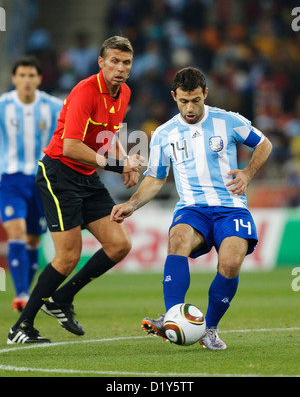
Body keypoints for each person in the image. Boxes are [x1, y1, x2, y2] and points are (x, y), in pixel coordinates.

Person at [111, 66, 272, 350]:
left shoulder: (228, 121)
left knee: (231, 263)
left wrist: (247, 173)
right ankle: (172, 317)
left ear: (205, 94)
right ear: (174, 96)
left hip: (230, 208)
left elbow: (264, 144)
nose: (189, 107)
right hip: (192, 208)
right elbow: (156, 177)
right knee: (177, 239)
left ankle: (209, 329)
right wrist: (132, 204)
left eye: (196, 100)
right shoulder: (164, 133)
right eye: (184, 101)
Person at [7, 36, 143, 344]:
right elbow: (70, 147)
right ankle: (21, 327)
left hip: (86, 178)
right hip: (58, 175)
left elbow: (109, 134)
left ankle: (61, 298)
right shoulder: (85, 91)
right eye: (114, 62)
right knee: (68, 256)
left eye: (126, 63)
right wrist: (117, 166)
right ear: (101, 62)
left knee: (119, 244)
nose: (120, 69)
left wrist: (126, 161)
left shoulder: (124, 93)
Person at [0, 56, 62, 312]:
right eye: (21, 75)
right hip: (11, 180)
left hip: (42, 178)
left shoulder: (54, 106)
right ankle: (22, 293)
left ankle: (27, 292)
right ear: (14, 78)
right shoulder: (2, 105)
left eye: (31, 75)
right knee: (16, 232)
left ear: (39, 79)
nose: (26, 80)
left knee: (34, 240)